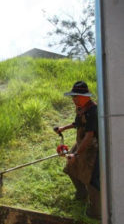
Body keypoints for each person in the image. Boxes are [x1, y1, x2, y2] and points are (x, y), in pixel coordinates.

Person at [55, 81, 101, 219]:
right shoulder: (81, 108)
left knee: (92, 180)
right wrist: (64, 128)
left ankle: (96, 212)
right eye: (73, 97)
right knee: (71, 166)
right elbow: (77, 123)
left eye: (77, 96)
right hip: (82, 142)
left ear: (86, 96)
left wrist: (76, 153)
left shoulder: (93, 111)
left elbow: (89, 135)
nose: (74, 99)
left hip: (94, 146)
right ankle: (81, 193)